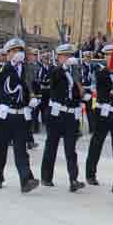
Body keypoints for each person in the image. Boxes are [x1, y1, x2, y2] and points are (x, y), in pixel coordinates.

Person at [0, 38, 41, 193]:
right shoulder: (1, 68)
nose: (17, 54)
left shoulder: (28, 69)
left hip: (20, 116)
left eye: (20, 51)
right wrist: (11, 64)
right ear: (7, 54)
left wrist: (33, 98)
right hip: (4, 116)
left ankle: (26, 180)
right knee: (0, 148)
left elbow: (33, 86)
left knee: (21, 149)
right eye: (14, 51)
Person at [39, 44, 86, 192]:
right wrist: (64, 68)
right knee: (51, 146)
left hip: (71, 115)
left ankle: (73, 179)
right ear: (58, 57)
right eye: (65, 56)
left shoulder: (75, 72)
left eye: (70, 56)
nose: (68, 58)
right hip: (56, 114)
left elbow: (79, 91)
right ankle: (46, 177)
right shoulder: (55, 70)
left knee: (70, 149)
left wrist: (83, 94)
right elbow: (53, 79)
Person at [85, 44, 113, 187]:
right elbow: (111, 93)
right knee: (96, 144)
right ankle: (90, 174)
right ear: (104, 57)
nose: (111, 59)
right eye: (108, 56)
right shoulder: (102, 73)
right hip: (102, 114)